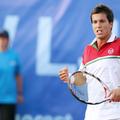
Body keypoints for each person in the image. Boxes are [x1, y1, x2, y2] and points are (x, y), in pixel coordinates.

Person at [59, 4, 120, 120]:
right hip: (92, 115)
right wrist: (69, 78)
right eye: (95, 22)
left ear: (111, 24)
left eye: (102, 21)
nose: (98, 25)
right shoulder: (88, 50)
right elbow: (83, 79)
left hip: (115, 114)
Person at [0, 30, 23, 120]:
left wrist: (20, 93)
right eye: (1, 38)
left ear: (8, 40)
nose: (2, 40)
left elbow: (18, 76)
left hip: (9, 99)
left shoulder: (14, 56)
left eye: (5, 38)